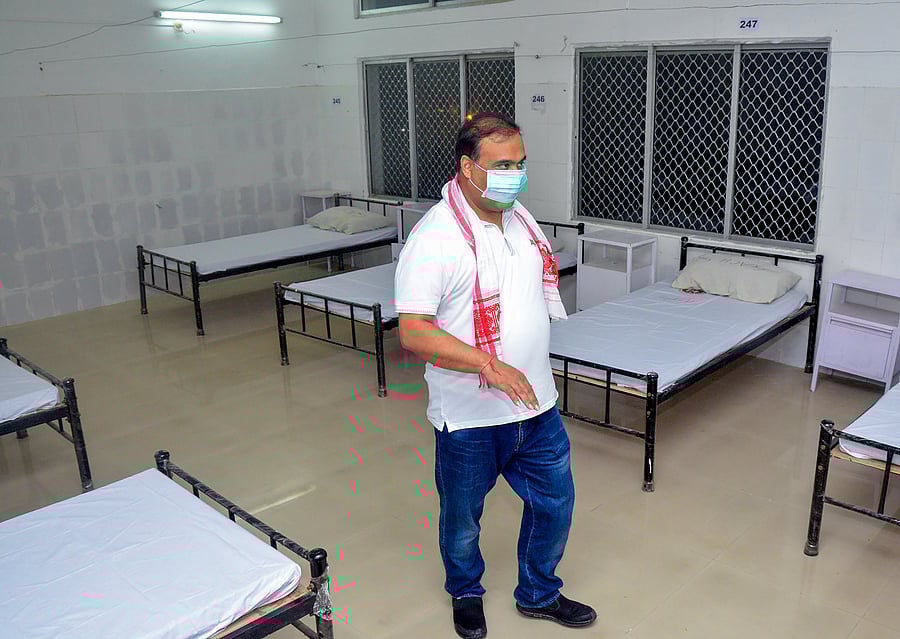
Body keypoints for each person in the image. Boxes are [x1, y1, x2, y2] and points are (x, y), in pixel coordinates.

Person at [394, 112, 596, 639]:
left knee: (555, 503)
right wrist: (488, 363)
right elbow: (413, 332)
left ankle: (539, 593)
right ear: (467, 167)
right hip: (470, 416)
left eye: (521, 164)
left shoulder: (519, 220)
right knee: (463, 521)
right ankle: (465, 592)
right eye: (502, 165)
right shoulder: (435, 238)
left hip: (536, 404)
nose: (515, 175)